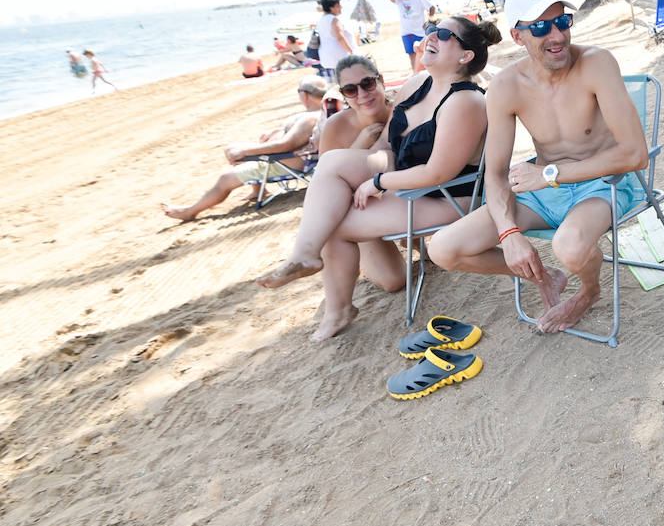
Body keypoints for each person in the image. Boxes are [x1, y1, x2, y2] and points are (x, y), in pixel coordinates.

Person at [426, 0, 649, 335]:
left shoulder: (596, 64)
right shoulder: (506, 86)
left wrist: (550, 174)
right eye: (541, 27)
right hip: (544, 191)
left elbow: (636, 155)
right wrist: (510, 233)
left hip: (605, 183)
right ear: (518, 36)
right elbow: (496, 173)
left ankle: (589, 291)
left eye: (562, 21)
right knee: (444, 249)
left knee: (570, 247)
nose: (556, 35)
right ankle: (547, 278)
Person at [255, 18, 495, 341]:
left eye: (442, 34)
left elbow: (439, 172)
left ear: (465, 56)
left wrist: (379, 182)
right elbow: (385, 146)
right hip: (408, 186)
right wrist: (371, 172)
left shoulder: (466, 101)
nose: (429, 37)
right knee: (331, 164)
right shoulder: (417, 84)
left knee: (333, 224)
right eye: (430, 30)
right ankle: (307, 258)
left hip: (447, 198)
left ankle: (336, 307)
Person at [161, 78, 328, 220]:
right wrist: (275, 132)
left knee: (225, 178)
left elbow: (286, 145)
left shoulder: (310, 119)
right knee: (232, 149)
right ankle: (258, 191)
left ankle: (190, 211)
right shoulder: (317, 114)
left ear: (304, 95)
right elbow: (295, 138)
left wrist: (247, 152)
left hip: (281, 163)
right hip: (284, 160)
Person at [314, 54, 393, 153]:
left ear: (381, 80)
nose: (362, 94)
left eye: (367, 83)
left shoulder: (405, 111)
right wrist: (359, 146)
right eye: (350, 90)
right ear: (343, 94)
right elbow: (325, 168)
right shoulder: (335, 127)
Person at [387, 0, 437, 73]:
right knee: (411, 54)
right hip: (406, 32)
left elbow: (432, 8)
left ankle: (428, 72)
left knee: (424, 53)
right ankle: (416, 73)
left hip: (420, 31)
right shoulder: (399, 0)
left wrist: (429, 21)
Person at [316, 0, 354, 81]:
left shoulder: (322, 19)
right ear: (332, 7)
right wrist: (351, 52)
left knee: (335, 86)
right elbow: (340, 37)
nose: (341, 7)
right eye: (338, 5)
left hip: (327, 58)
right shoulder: (333, 19)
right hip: (339, 59)